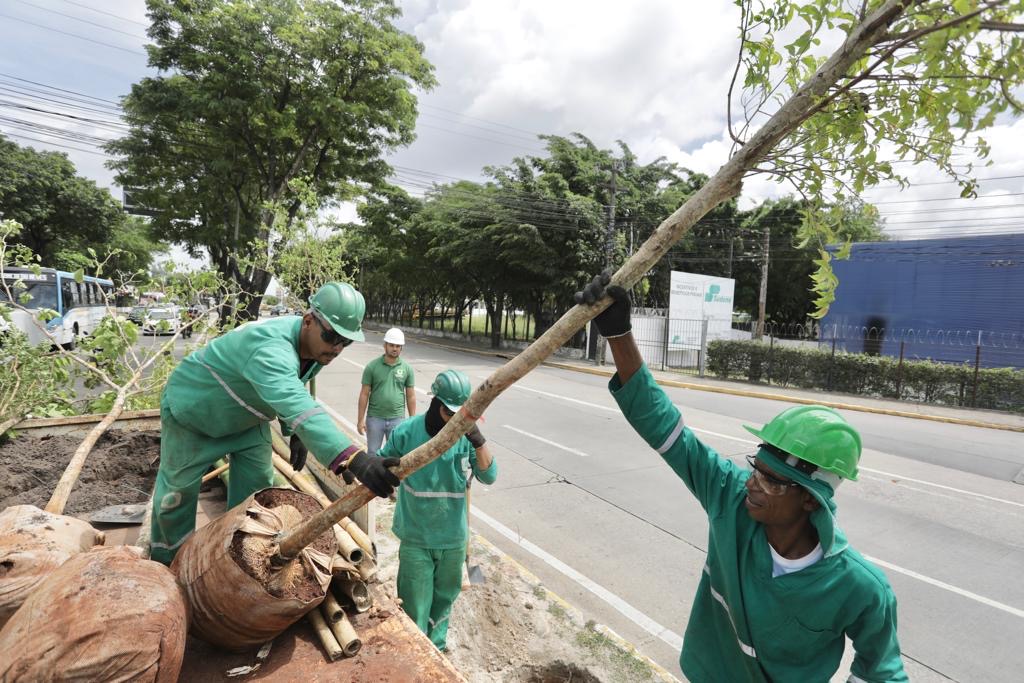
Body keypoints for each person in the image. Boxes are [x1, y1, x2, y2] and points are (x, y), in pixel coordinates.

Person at [575, 272, 908, 682]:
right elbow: (667, 430)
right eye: (757, 469)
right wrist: (619, 334)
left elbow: (883, 672)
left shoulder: (859, 587)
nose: (752, 483)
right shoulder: (731, 499)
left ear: (810, 499)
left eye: (772, 481)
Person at [150, 282, 401, 565]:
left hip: (248, 420)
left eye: (346, 341)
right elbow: (292, 396)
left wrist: (295, 432)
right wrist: (355, 459)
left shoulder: (313, 348)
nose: (337, 348)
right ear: (308, 320)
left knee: (256, 496)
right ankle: (167, 563)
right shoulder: (271, 347)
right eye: (332, 337)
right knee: (175, 498)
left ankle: (236, 557)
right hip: (194, 414)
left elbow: (294, 386)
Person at [376, 368, 496, 652]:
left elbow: (489, 476)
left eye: (460, 416)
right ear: (435, 403)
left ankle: (438, 652)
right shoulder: (406, 432)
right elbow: (378, 467)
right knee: (415, 610)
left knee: (443, 605)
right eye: (448, 413)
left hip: (453, 540)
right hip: (417, 538)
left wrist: (478, 441)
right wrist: (383, 470)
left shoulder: (466, 437)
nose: (453, 422)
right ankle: (417, 660)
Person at [357, 327, 416, 455]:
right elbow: (364, 394)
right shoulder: (372, 367)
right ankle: (372, 476)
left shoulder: (407, 369)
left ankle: (389, 476)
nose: (394, 348)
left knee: (395, 454)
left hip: (397, 419)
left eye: (398, 346)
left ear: (401, 348)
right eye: (391, 345)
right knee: (373, 453)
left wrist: (412, 420)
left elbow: (410, 396)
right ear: (385, 345)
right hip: (375, 419)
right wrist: (360, 420)